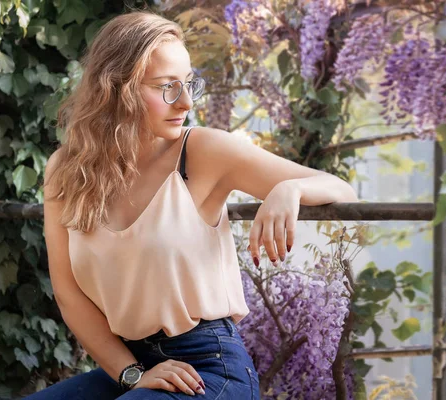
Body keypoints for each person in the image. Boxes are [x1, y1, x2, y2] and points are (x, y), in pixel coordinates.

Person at [29, 9, 358, 400]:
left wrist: (290, 191)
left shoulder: (200, 151)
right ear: (116, 87)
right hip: (129, 363)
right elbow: (69, 293)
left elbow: (340, 189)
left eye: (188, 84)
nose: (185, 102)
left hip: (208, 369)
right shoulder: (66, 170)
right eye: (166, 86)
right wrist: (131, 373)